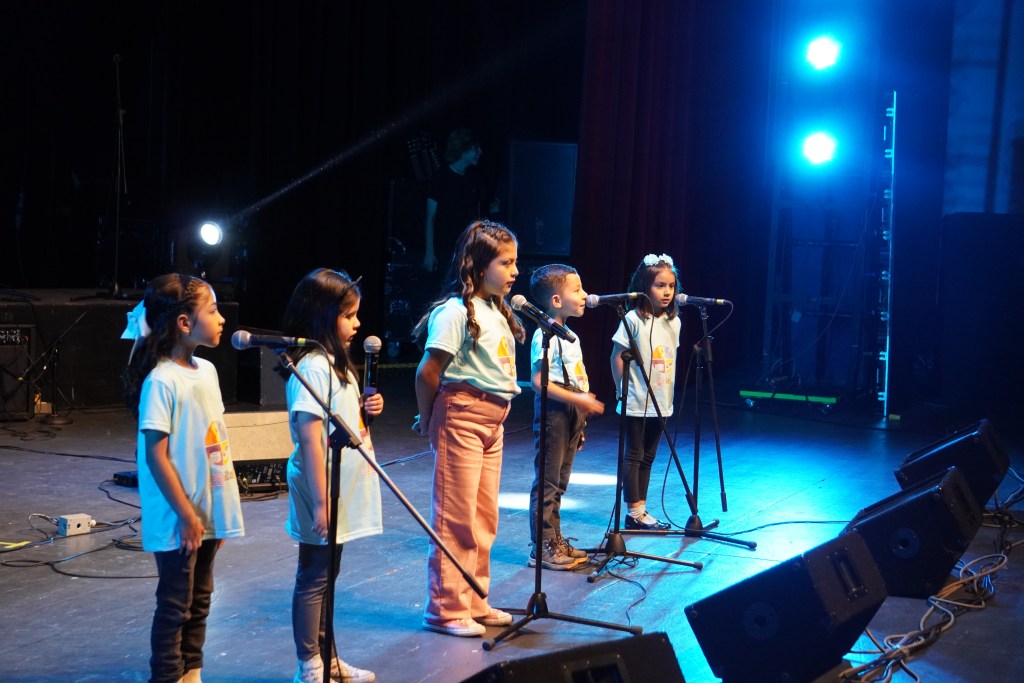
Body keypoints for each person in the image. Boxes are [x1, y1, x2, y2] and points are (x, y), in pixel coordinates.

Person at [122, 273, 244, 683]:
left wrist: (216, 513)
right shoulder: (161, 380)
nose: (221, 318)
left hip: (205, 510)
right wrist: (187, 514)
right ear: (184, 322)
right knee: (175, 602)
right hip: (179, 515)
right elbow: (155, 456)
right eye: (213, 310)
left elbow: (214, 444)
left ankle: (191, 672)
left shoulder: (206, 371)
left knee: (200, 598)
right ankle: (167, 675)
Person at [412, 219, 524, 637]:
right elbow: (428, 372)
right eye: (505, 263)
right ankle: (445, 608)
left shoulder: (496, 310)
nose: (514, 271)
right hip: (462, 415)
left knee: (483, 517)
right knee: (455, 516)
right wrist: (428, 418)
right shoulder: (455, 312)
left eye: (514, 262)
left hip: (494, 420)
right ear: (477, 265)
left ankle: (474, 599)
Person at [281, 268, 381, 683]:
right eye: (348, 315)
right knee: (314, 576)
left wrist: (367, 409)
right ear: (323, 316)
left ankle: (329, 658)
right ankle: (309, 664)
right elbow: (310, 437)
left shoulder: (337, 364)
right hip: (319, 486)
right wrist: (321, 501)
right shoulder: (313, 366)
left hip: (339, 485)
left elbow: (344, 423)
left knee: (328, 577)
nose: (357, 324)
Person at [526, 264, 605, 570]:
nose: (584, 295)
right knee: (547, 483)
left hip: (571, 414)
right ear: (556, 300)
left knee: (559, 483)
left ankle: (555, 540)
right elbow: (539, 381)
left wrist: (580, 421)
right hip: (554, 413)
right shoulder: (543, 335)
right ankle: (541, 547)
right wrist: (578, 400)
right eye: (577, 289)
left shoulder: (570, 335)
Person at [609, 253, 682, 531]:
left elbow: (668, 359)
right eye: (660, 285)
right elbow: (617, 356)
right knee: (634, 454)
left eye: (671, 286)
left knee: (649, 456)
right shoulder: (633, 319)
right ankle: (634, 512)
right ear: (644, 287)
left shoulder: (674, 322)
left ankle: (640, 509)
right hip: (636, 398)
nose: (667, 292)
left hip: (662, 399)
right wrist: (621, 389)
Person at [422, 129, 499, 273]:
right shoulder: (440, 178)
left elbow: (481, 215)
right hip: (444, 251)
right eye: (476, 148)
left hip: (468, 252)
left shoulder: (475, 180)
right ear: (463, 149)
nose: (480, 152)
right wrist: (429, 252)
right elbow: (430, 218)